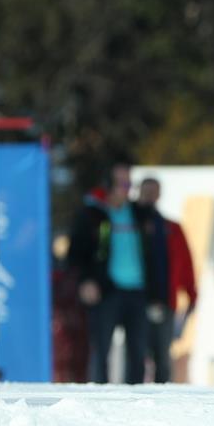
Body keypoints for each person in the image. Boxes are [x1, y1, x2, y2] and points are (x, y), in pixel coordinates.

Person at [68, 163, 159, 384]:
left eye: (129, 183)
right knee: (101, 351)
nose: (126, 189)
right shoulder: (94, 215)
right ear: (108, 185)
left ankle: (136, 399)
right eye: (122, 183)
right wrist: (86, 281)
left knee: (139, 352)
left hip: (137, 291)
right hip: (107, 291)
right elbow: (76, 254)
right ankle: (99, 399)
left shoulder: (139, 214)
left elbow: (155, 254)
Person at [136, 177, 198, 383]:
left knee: (163, 356)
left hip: (165, 301)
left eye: (154, 191)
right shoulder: (130, 225)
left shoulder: (171, 229)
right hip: (136, 302)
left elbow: (186, 263)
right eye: (147, 191)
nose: (150, 196)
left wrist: (191, 293)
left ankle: (162, 398)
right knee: (136, 356)